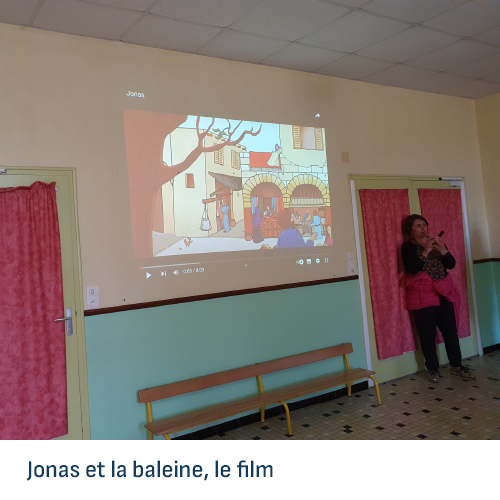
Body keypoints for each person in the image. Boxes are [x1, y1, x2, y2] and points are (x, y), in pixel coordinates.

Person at [401, 214, 474, 382]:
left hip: (442, 292)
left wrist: (443, 250)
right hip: (422, 294)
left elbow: (451, 264)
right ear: (410, 230)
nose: (423, 228)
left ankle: (456, 365)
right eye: (418, 225)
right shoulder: (408, 247)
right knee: (427, 333)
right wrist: (426, 251)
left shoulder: (437, 242)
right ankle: (432, 369)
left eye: (424, 224)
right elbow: (412, 268)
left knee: (450, 331)